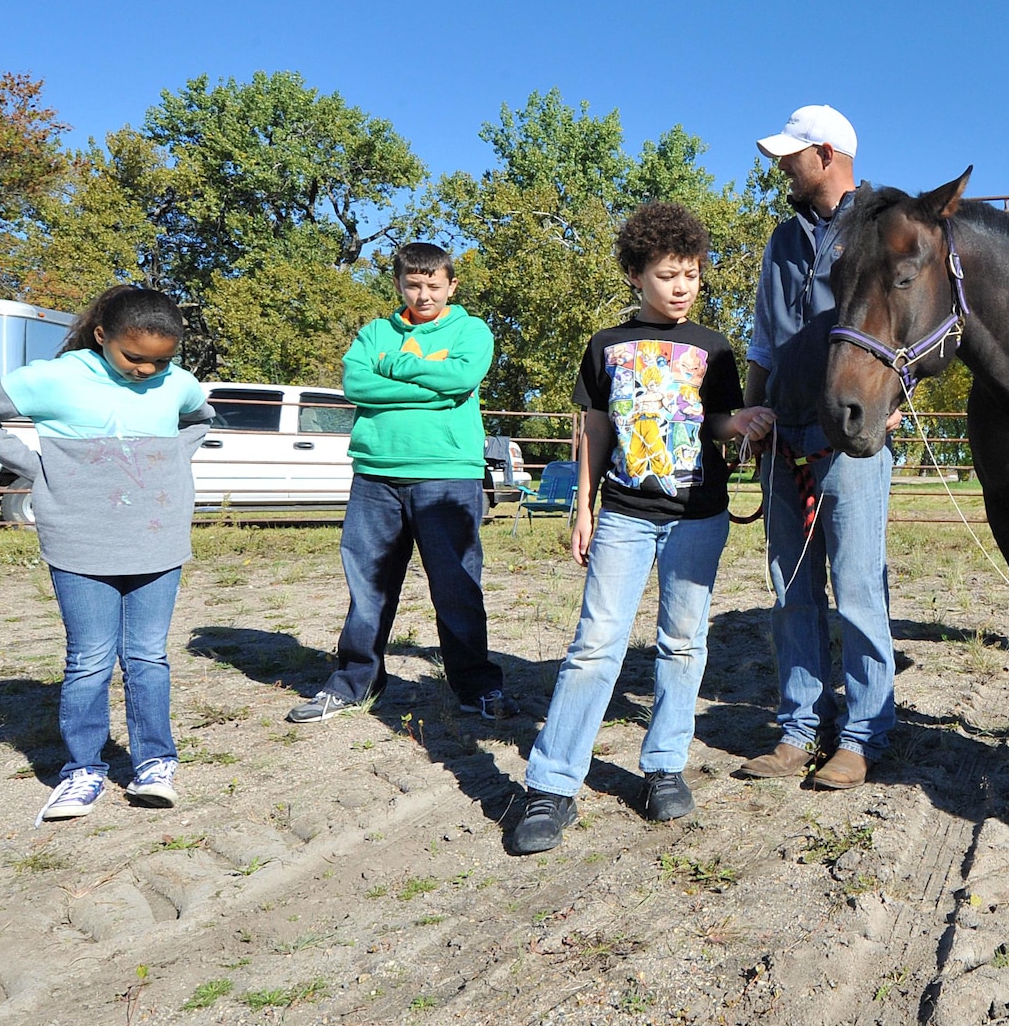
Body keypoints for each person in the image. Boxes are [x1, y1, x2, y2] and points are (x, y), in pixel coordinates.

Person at [511, 203, 773, 851]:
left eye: (691, 274)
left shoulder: (714, 349)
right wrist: (583, 507)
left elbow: (714, 423)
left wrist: (736, 426)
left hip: (698, 520)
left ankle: (664, 769)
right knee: (595, 645)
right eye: (667, 274)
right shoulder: (605, 347)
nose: (682, 286)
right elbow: (594, 430)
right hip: (624, 518)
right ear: (635, 275)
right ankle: (551, 787)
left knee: (683, 644)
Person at [0, 286, 212, 823]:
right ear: (100, 336)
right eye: (134, 357)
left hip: (156, 539)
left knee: (147, 657)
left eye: (161, 360)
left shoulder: (177, 383)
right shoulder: (55, 378)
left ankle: (155, 763)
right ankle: (83, 768)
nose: (147, 370)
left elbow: (199, 418)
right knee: (89, 659)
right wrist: (37, 467)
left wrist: (167, 463)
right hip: (80, 541)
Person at [737, 104, 897, 790]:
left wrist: (893, 404)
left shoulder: (888, 230)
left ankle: (863, 734)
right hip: (785, 435)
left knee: (859, 590)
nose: (781, 166)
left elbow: (912, 326)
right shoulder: (783, 238)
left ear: (827, 154)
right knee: (791, 591)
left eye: (791, 155)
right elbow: (765, 339)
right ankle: (799, 728)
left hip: (851, 442)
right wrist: (751, 409)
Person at [288, 243, 507, 724]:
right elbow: (356, 386)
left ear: (451, 285)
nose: (423, 293)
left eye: (434, 285)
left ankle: (476, 686)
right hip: (376, 475)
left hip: (447, 475)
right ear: (399, 285)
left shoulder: (471, 331)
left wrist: (396, 366)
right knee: (368, 586)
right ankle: (353, 682)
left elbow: (462, 378)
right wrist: (431, 387)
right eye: (413, 284)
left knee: (457, 587)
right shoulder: (374, 332)